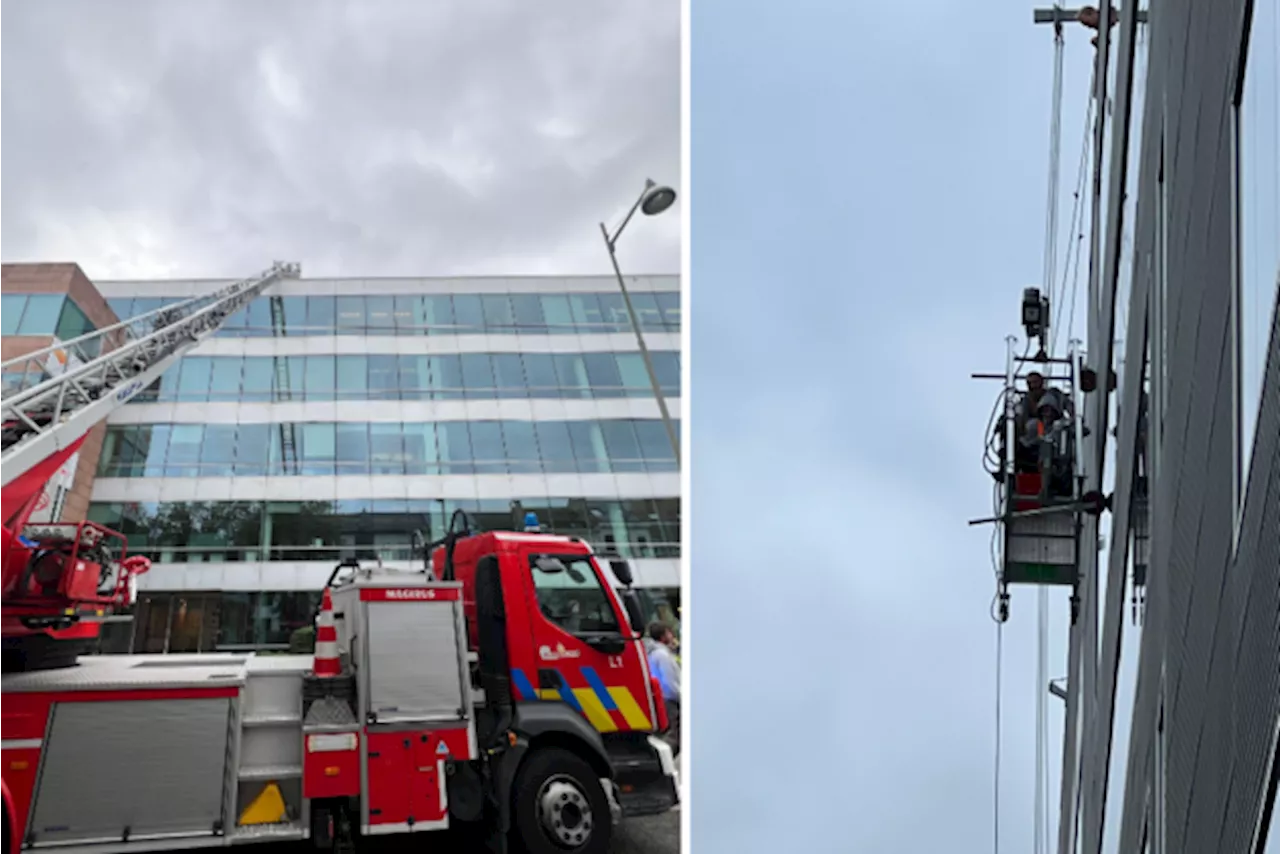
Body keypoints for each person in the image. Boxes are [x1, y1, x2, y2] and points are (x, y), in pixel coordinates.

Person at [644, 621, 681, 756]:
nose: (672, 636)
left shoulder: (652, 653)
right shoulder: (663, 655)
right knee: (674, 736)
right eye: (669, 633)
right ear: (663, 636)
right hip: (670, 700)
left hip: (661, 699)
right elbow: (670, 683)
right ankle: (664, 762)